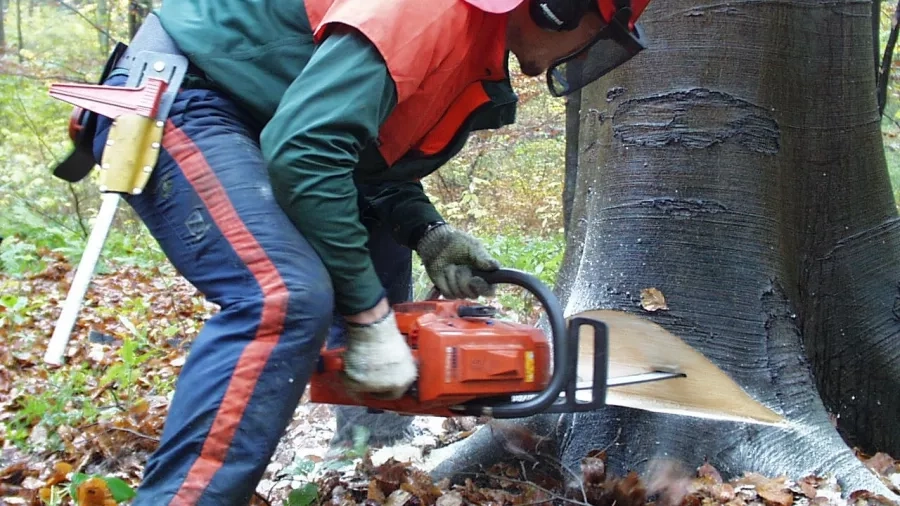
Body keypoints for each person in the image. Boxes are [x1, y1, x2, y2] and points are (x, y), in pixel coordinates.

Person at [79, 0, 652, 503]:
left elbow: (361, 155)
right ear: (561, 6)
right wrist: (369, 318)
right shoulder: (429, 12)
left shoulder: (471, 38)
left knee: (363, 260)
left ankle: (366, 438)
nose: (584, 54)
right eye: (599, 36)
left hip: (249, 113)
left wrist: (428, 232)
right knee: (282, 295)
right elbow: (305, 151)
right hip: (184, 92)